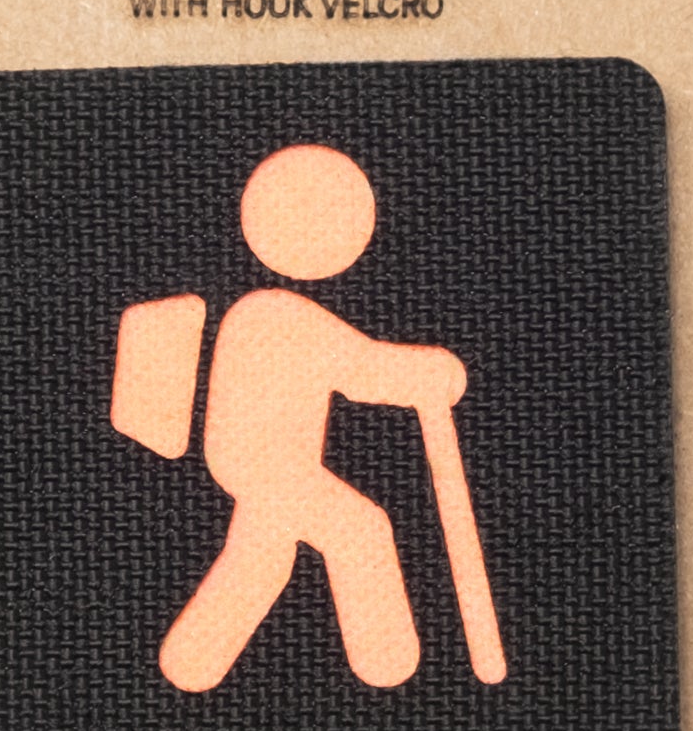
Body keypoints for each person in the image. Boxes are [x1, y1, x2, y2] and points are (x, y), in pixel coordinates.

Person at [159, 144, 474, 692]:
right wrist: (428, 374)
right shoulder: (276, 315)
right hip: (265, 464)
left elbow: (358, 366)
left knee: (262, 556)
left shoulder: (268, 311)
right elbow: (361, 368)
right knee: (359, 530)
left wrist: (425, 376)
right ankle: (387, 661)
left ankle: (192, 661)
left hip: (263, 464)